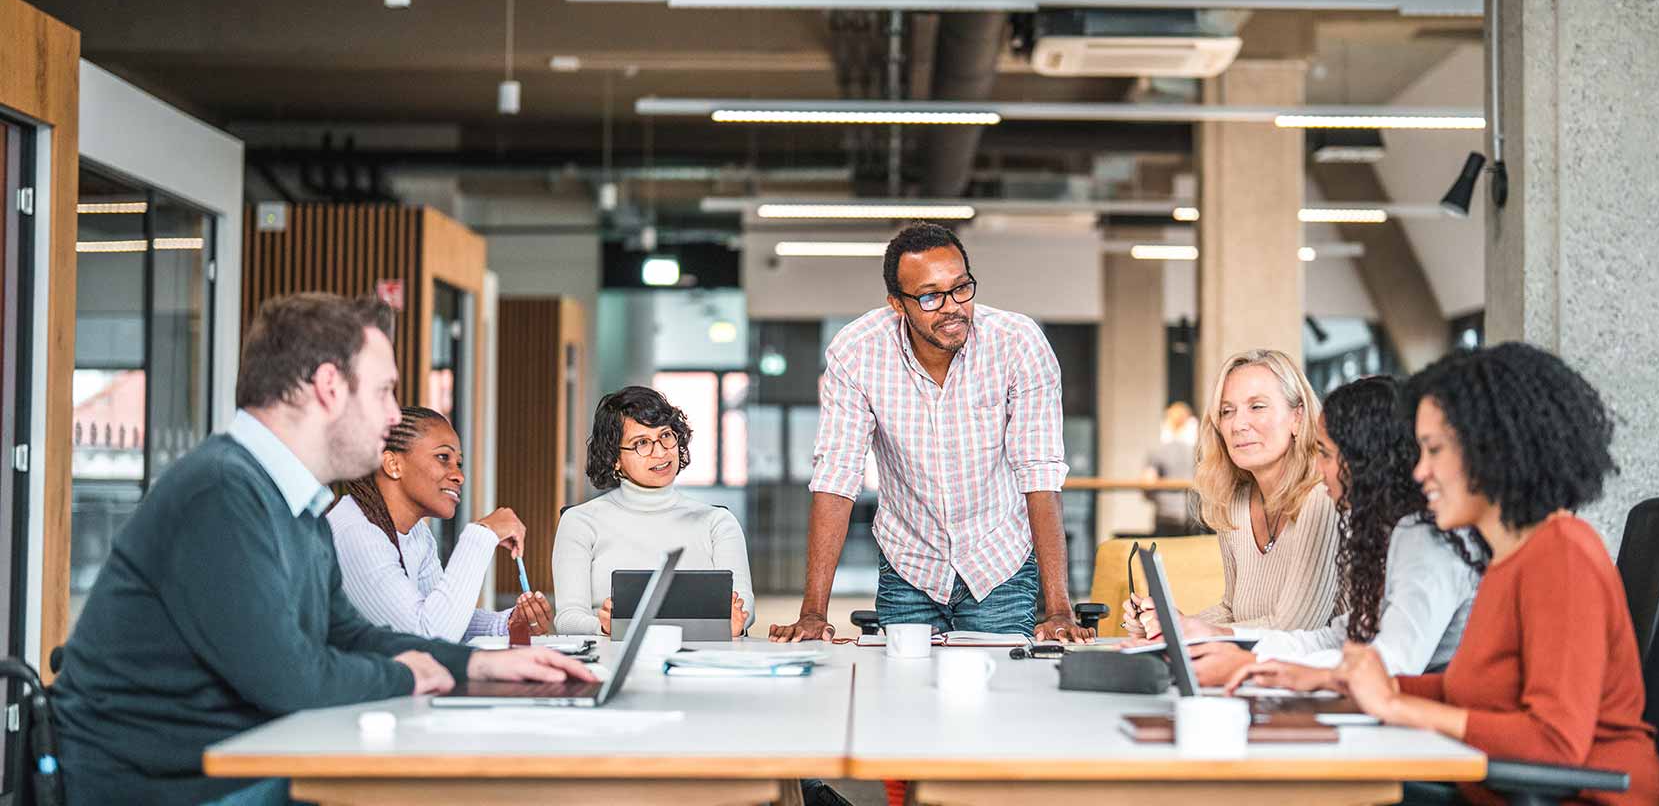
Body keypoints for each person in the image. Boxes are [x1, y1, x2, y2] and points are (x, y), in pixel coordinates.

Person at [49, 292, 592, 806]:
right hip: (171, 788)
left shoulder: (293, 502)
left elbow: (345, 633)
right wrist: (409, 675)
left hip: (237, 764)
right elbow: (291, 678)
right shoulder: (220, 491)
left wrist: (475, 666)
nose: (390, 417)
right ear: (329, 387)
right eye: (383, 392)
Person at [1328, 343, 1659, 806]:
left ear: (1494, 449)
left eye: (1434, 450)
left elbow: (1555, 743)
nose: (1420, 471)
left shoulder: (1561, 554)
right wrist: (1357, 683)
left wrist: (1395, 706)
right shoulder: (1507, 557)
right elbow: (1469, 692)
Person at [769, 222, 1090, 643]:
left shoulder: (1018, 343)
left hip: (999, 562)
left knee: (1001, 694)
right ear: (897, 304)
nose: (952, 307)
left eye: (961, 288)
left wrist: (1059, 609)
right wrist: (813, 612)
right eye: (930, 296)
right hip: (910, 564)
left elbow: (1039, 474)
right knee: (904, 696)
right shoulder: (857, 352)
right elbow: (836, 478)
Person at [1195, 375, 1486, 689]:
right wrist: (1234, 648)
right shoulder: (1397, 533)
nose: (1318, 470)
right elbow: (1338, 638)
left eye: (1326, 454)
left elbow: (1393, 663)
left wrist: (1257, 665)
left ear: (1364, 461)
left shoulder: (1428, 541)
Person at [1123, 348, 1339, 642]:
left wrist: (1195, 631)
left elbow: (1297, 629)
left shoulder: (1323, 496)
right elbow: (1232, 610)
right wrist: (1168, 625)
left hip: (1337, 675)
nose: (1238, 424)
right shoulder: (1235, 502)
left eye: (1257, 407)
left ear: (1297, 417)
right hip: (1265, 673)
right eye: (1227, 411)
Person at [328, 405, 555, 641]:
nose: (459, 475)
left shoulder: (417, 534)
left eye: (458, 463)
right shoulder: (357, 534)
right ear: (393, 465)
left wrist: (508, 624)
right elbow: (428, 636)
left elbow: (442, 617)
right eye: (443, 457)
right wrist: (481, 535)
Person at [552, 385, 754, 637]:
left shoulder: (717, 522)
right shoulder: (580, 522)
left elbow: (744, 607)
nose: (660, 453)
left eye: (666, 436)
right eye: (642, 443)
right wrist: (602, 626)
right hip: (611, 658)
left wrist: (736, 621)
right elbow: (567, 618)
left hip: (700, 659)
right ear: (614, 457)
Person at [1142, 401, 1198, 536]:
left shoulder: (1157, 451)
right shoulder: (1199, 452)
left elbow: (1147, 486)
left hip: (1165, 516)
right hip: (1194, 516)